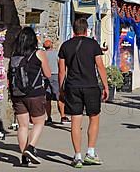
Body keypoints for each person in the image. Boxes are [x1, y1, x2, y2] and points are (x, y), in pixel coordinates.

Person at [59, 18, 109, 168]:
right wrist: (106, 86)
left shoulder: (65, 46)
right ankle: (91, 152)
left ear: (73, 30)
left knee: (75, 121)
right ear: (86, 30)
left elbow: (62, 71)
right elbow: (100, 66)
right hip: (91, 86)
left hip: (73, 87)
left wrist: (61, 89)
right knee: (94, 118)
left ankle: (77, 156)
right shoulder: (93, 45)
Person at [10, 27, 52, 166]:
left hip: (17, 94)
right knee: (39, 122)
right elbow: (48, 74)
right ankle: (31, 147)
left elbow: (9, 76)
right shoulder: (39, 53)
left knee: (23, 126)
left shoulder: (14, 55)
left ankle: (24, 158)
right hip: (35, 93)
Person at [43, 39, 70, 126]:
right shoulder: (56, 53)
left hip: (45, 76)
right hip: (55, 75)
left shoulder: (42, 54)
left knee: (48, 98)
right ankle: (63, 116)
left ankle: (49, 118)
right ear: (51, 45)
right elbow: (61, 65)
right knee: (60, 96)